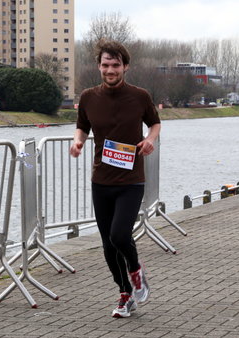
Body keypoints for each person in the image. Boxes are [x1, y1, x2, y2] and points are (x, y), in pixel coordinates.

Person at [70, 39, 161, 318]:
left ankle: (135, 272)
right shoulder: (88, 97)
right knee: (108, 243)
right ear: (99, 66)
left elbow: (155, 122)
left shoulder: (140, 96)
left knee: (120, 234)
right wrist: (78, 143)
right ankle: (125, 294)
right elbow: (82, 126)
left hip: (131, 179)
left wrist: (149, 140)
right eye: (106, 65)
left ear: (125, 67)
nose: (111, 70)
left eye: (116, 65)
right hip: (101, 180)